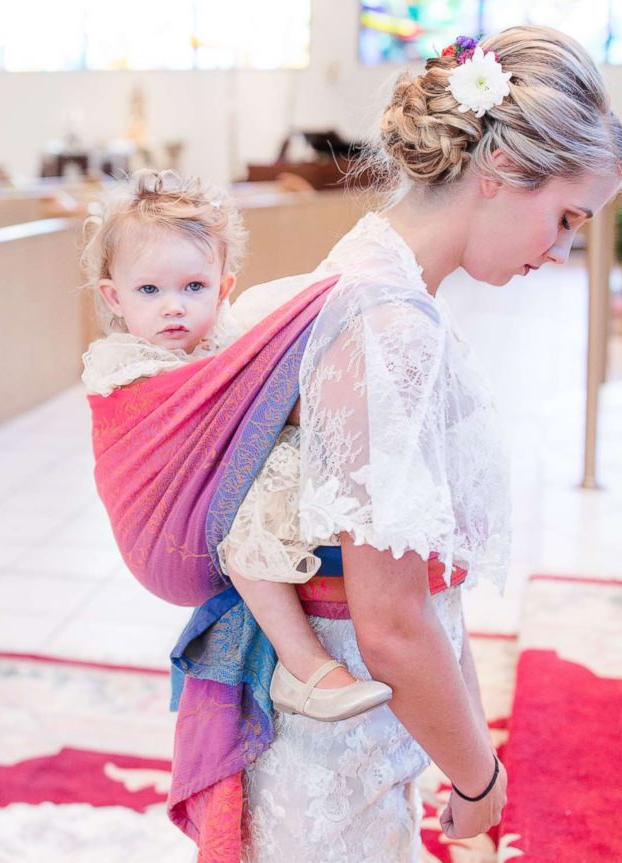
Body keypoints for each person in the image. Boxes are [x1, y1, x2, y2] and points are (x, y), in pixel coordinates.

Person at [173, 25, 622, 863]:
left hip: (357, 712)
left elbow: (425, 588)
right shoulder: (386, 326)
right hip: (337, 732)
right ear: (503, 169)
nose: (561, 251)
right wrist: (479, 776)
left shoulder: (372, 279)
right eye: (567, 218)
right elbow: (391, 617)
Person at [81, 168, 393, 721]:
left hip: (216, 490)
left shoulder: (228, 339)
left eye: (193, 287)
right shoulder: (123, 364)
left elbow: (258, 379)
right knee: (254, 509)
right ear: (114, 297)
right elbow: (194, 413)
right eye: (149, 290)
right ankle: (302, 669)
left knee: (294, 461)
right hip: (175, 521)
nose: (173, 306)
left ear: (223, 288)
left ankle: (373, 617)